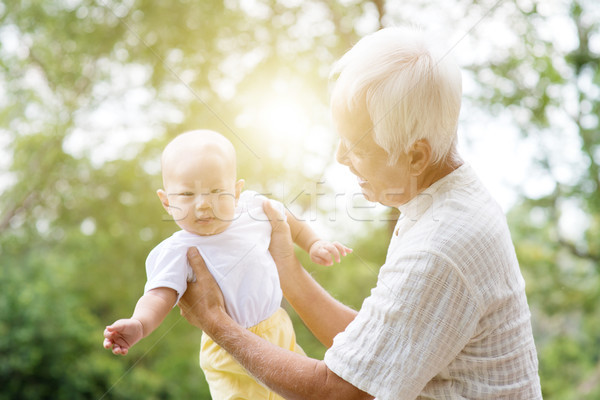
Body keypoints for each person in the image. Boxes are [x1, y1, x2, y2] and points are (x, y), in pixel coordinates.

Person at [177, 26, 543, 399]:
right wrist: (287, 270)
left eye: (357, 147)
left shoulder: (441, 245)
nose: (340, 157)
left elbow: (340, 392)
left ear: (416, 155)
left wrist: (215, 321)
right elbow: (377, 355)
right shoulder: (443, 198)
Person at [102, 129, 352, 400]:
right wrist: (140, 323)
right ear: (166, 201)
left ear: (236, 191)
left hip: (277, 329)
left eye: (216, 192)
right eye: (187, 194)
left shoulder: (253, 210)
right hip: (228, 353)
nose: (203, 205)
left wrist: (314, 244)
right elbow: (159, 294)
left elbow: (287, 220)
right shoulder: (178, 250)